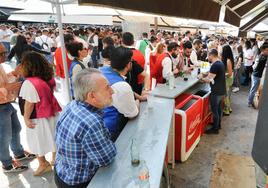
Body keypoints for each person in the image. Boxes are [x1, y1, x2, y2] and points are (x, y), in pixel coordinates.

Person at [55, 68, 116, 187]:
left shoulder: (72, 104)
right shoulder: (91, 122)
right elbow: (106, 158)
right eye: (107, 87)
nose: (112, 91)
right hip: (78, 182)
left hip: (61, 172)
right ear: (92, 96)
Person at [19, 51, 61, 176]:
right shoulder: (48, 77)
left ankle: (43, 164)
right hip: (52, 111)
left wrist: (26, 118)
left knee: (37, 141)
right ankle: (55, 159)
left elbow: (30, 103)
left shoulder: (29, 82)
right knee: (54, 136)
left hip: (38, 116)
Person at [0, 43, 36, 173]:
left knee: (16, 128)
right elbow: (4, 85)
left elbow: (4, 80)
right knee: (3, 137)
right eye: (1, 54)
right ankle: (7, 164)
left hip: (6, 103)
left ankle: (19, 153)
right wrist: (6, 88)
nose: (4, 55)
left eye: (5, 52)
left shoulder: (1, 66)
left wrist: (14, 74)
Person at [100, 47, 139, 141]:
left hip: (99, 123)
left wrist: (139, 96)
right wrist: (137, 102)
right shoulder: (122, 86)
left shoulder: (101, 70)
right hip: (111, 129)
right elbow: (132, 114)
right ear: (129, 64)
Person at [199, 49, 226, 134]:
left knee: (215, 111)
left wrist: (201, 79)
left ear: (211, 55)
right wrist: (206, 74)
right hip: (222, 90)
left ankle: (215, 129)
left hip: (216, 91)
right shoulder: (220, 63)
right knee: (218, 109)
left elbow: (209, 79)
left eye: (208, 55)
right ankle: (218, 124)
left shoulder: (215, 65)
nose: (208, 57)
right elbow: (213, 73)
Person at [54, 34, 74, 104]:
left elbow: (55, 63)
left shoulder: (57, 50)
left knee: (65, 91)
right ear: (70, 41)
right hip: (70, 74)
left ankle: (67, 104)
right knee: (72, 91)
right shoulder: (70, 50)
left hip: (62, 73)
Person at [248, 43, 268, 108]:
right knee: (253, 90)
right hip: (256, 76)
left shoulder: (261, 56)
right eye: (267, 50)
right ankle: (250, 102)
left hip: (255, 75)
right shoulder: (262, 57)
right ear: (263, 50)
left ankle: (251, 102)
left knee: (254, 90)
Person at [221, 45, 234, 116]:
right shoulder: (228, 59)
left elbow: (229, 73)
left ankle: (226, 110)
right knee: (227, 95)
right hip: (229, 79)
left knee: (225, 96)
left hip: (228, 79)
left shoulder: (228, 60)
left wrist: (222, 74)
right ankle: (229, 108)